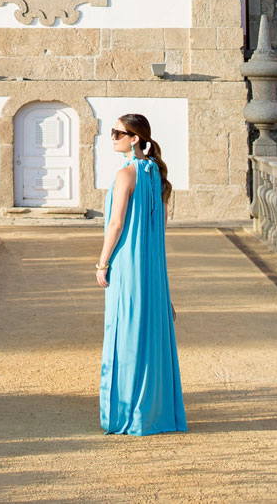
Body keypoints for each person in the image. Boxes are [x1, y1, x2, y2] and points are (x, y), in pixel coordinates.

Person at [96, 112, 186, 435]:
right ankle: (154, 412)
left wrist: (102, 262)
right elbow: (161, 230)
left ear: (134, 138)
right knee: (150, 334)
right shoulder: (157, 177)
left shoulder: (126, 175)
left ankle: (126, 413)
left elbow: (116, 224)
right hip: (151, 267)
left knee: (126, 332)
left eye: (117, 133)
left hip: (127, 265)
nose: (112, 138)